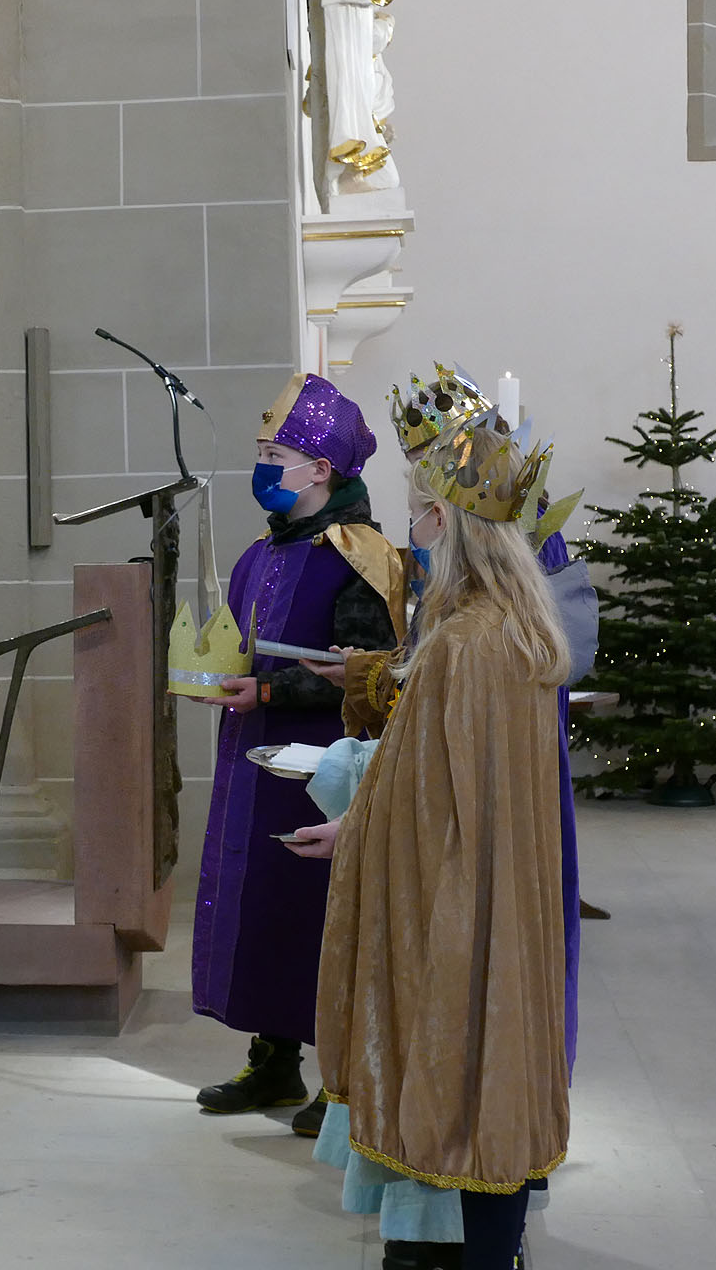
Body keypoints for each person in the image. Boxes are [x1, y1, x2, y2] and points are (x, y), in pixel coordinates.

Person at [291, 422, 571, 1270]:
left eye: (416, 512)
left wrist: (354, 828)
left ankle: (475, 1257)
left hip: (454, 890)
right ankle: (497, 1247)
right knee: (497, 1065)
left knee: (461, 1067)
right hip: (505, 885)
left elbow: (427, 790)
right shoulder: (517, 628)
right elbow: (446, 778)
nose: (408, 530)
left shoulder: (462, 643)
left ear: (444, 524)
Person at [186, 375, 402, 1127]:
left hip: (324, 760)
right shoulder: (261, 552)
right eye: (258, 451)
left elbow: (374, 668)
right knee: (262, 907)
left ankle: (339, 1082)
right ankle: (274, 1062)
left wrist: (273, 693)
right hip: (252, 752)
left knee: (318, 911)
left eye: (274, 453)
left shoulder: (362, 555)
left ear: (320, 470)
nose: (261, 467)